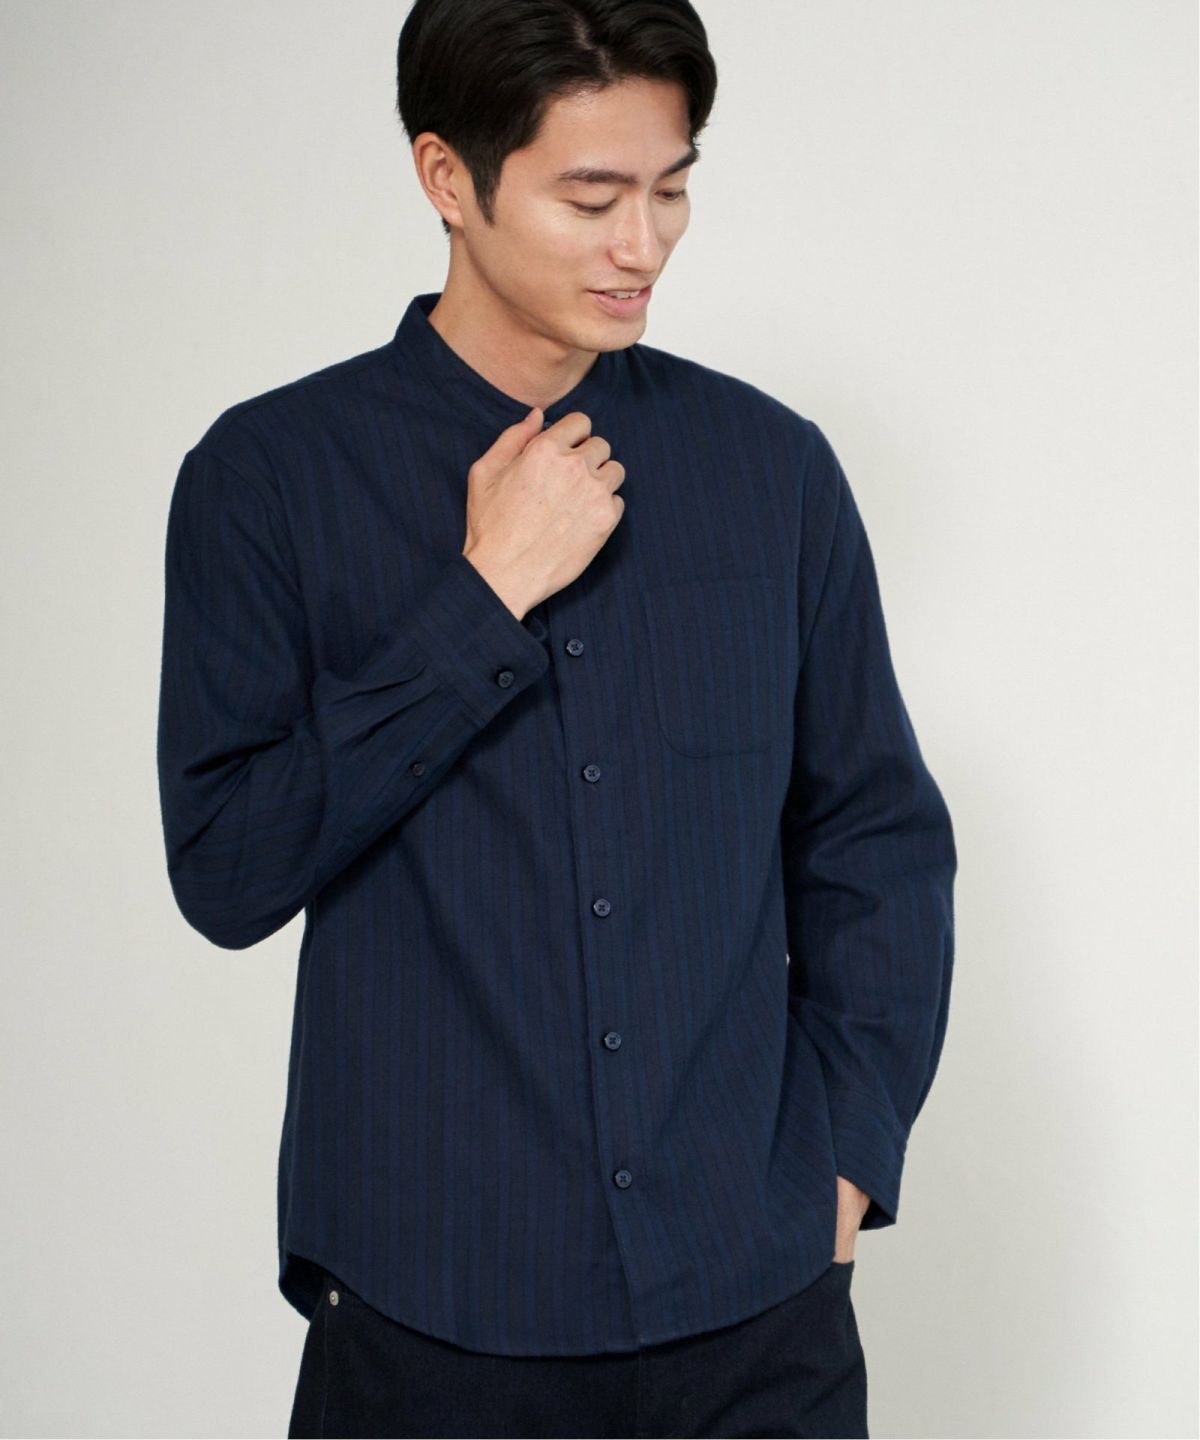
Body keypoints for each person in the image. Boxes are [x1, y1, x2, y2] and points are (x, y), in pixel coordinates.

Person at [155, 1, 957, 1435]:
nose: (642, 245)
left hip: (754, 1310)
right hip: (430, 1318)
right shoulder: (269, 477)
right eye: (591, 199)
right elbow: (228, 868)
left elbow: (873, 837)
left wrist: (845, 1157)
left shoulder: (771, 472)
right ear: (447, 179)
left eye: (671, 189)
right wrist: (480, 601)